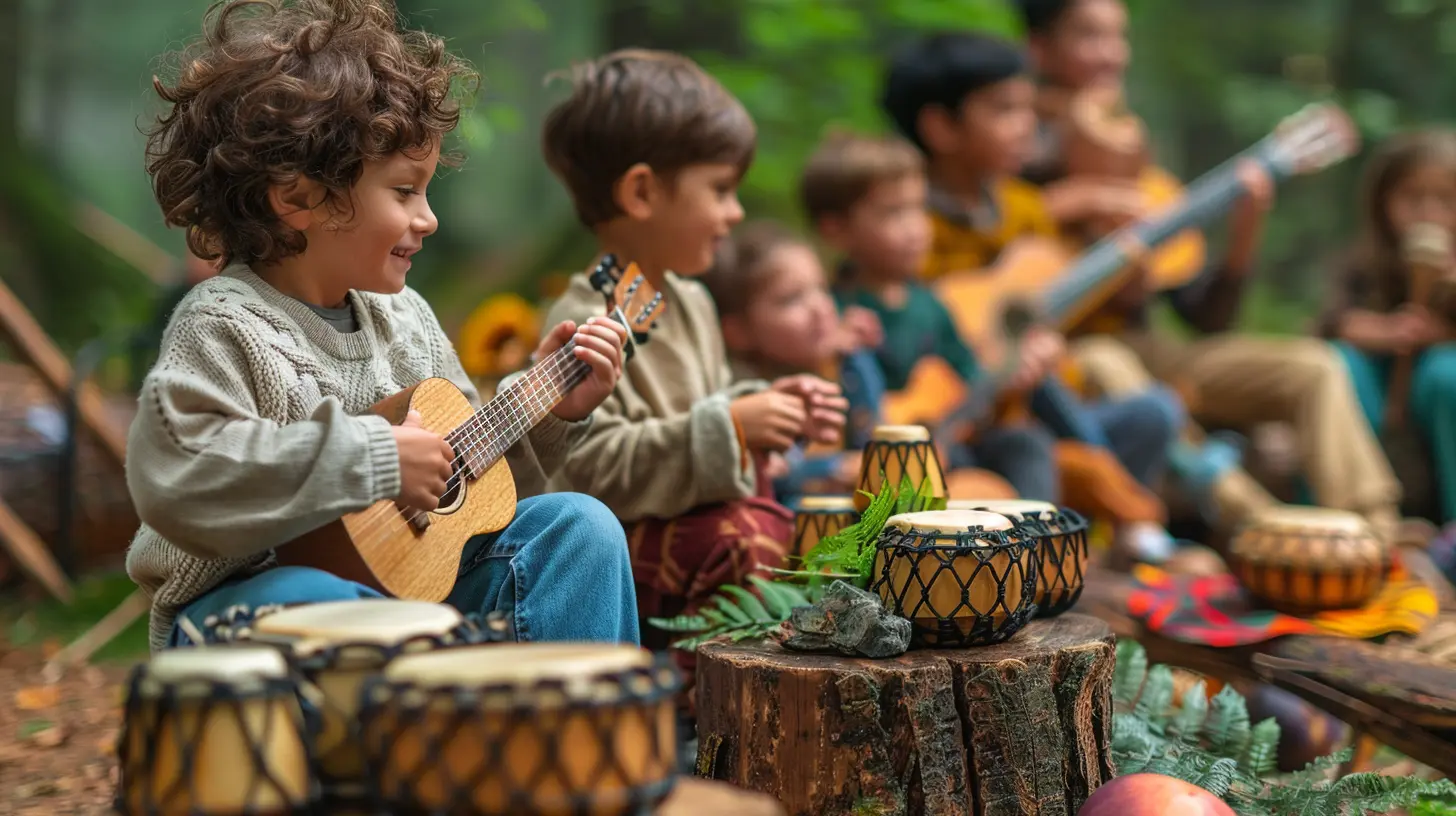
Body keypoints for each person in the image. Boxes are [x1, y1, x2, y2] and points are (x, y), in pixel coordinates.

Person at [127, 0, 638, 653]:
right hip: (238, 620)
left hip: (399, 605)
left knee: (577, 528)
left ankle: (567, 742)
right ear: (299, 198)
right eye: (404, 191)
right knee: (336, 606)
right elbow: (179, 479)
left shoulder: (407, 320)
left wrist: (549, 413)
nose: (427, 219)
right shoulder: (224, 325)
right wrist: (369, 458)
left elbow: (464, 497)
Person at [1015, 0, 1405, 540]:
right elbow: (986, 234)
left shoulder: (1146, 179)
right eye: (1090, 36)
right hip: (1064, 357)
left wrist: (1244, 232)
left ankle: (1374, 531)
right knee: (1106, 360)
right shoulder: (1011, 142)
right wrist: (1073, 202)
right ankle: (1263, 527)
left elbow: (1206, 319)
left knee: (1312, 366)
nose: (1112, 54)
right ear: (1040, 46)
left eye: (1118, 37)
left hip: (1155, 351)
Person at [537, 50, 847, 686]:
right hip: (615, 552)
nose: (735, 213)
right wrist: (729, 426)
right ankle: (693, 701)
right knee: (746, 534)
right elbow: (584, 469)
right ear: (643, 192)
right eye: (720, 190)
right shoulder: (584, 320)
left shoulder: (691, 299)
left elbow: (705, 402)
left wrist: (765, 403)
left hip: (687, 535)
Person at [874, 37, 1182, 559]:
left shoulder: (1026, 208)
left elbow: (1056, 316)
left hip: (1040, 412)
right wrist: (997, 365)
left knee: (1155, 411)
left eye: (1026, 108)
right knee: (1033, 447)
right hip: (964, 428)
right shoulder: (902, 226)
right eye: (1004, 110)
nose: (1026, 126)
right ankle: (1110, 528)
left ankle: (1108, 534)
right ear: (940, 127)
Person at [703, 219, 1021, 504]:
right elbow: (769, 477)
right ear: (739, 332)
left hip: (866, 510)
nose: (819, 307)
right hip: (806, 532)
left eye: (820, 289)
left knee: (988, 478)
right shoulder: (748, 398)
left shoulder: (850, 366)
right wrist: (834, 468)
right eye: (791, 299)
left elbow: (872, 440)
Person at [1321, 129, 1456, 524]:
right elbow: (1330, 323)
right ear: (1384, 202)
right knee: (1338, 366)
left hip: (1435, 391)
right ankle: (1339, 525)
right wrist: (1381, 331)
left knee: (1446, 375)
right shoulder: (1365, 263)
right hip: (1382, 392)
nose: (1429, 213)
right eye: (1413, 199)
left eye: (1446, 201)